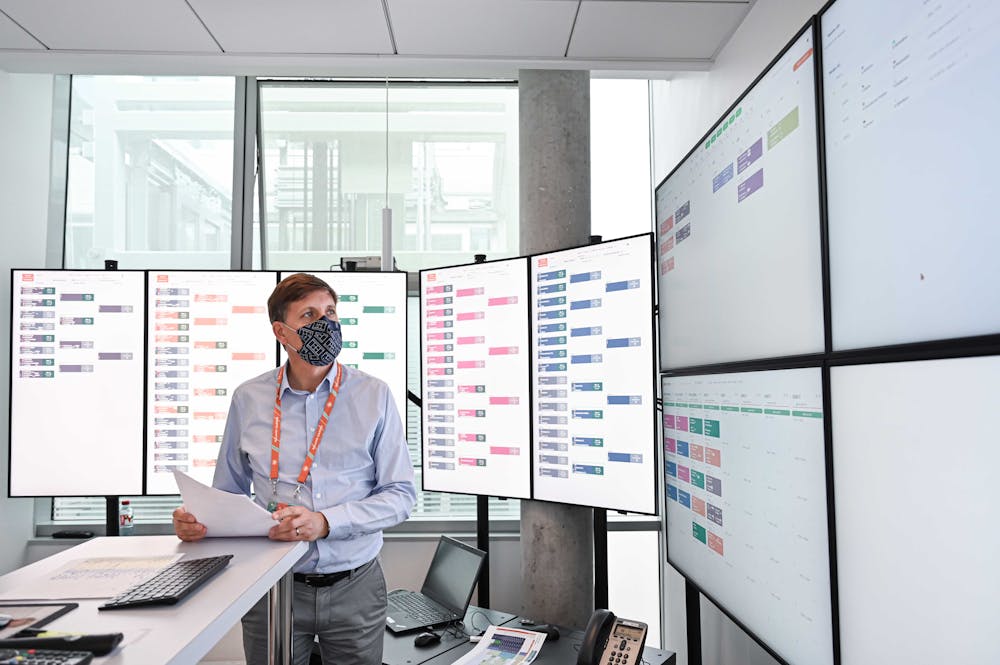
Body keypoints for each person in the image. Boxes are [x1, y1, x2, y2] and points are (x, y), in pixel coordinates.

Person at [173, 272, 416, 665]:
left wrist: (326, 521)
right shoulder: (248, 398)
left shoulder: (374, 395)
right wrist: (199, 523)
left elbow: (401, 496)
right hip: (271, 585)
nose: (326, 324)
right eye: (309, 315)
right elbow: (228, 496)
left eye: (330, 312)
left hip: (356, 583)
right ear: (282, 333)